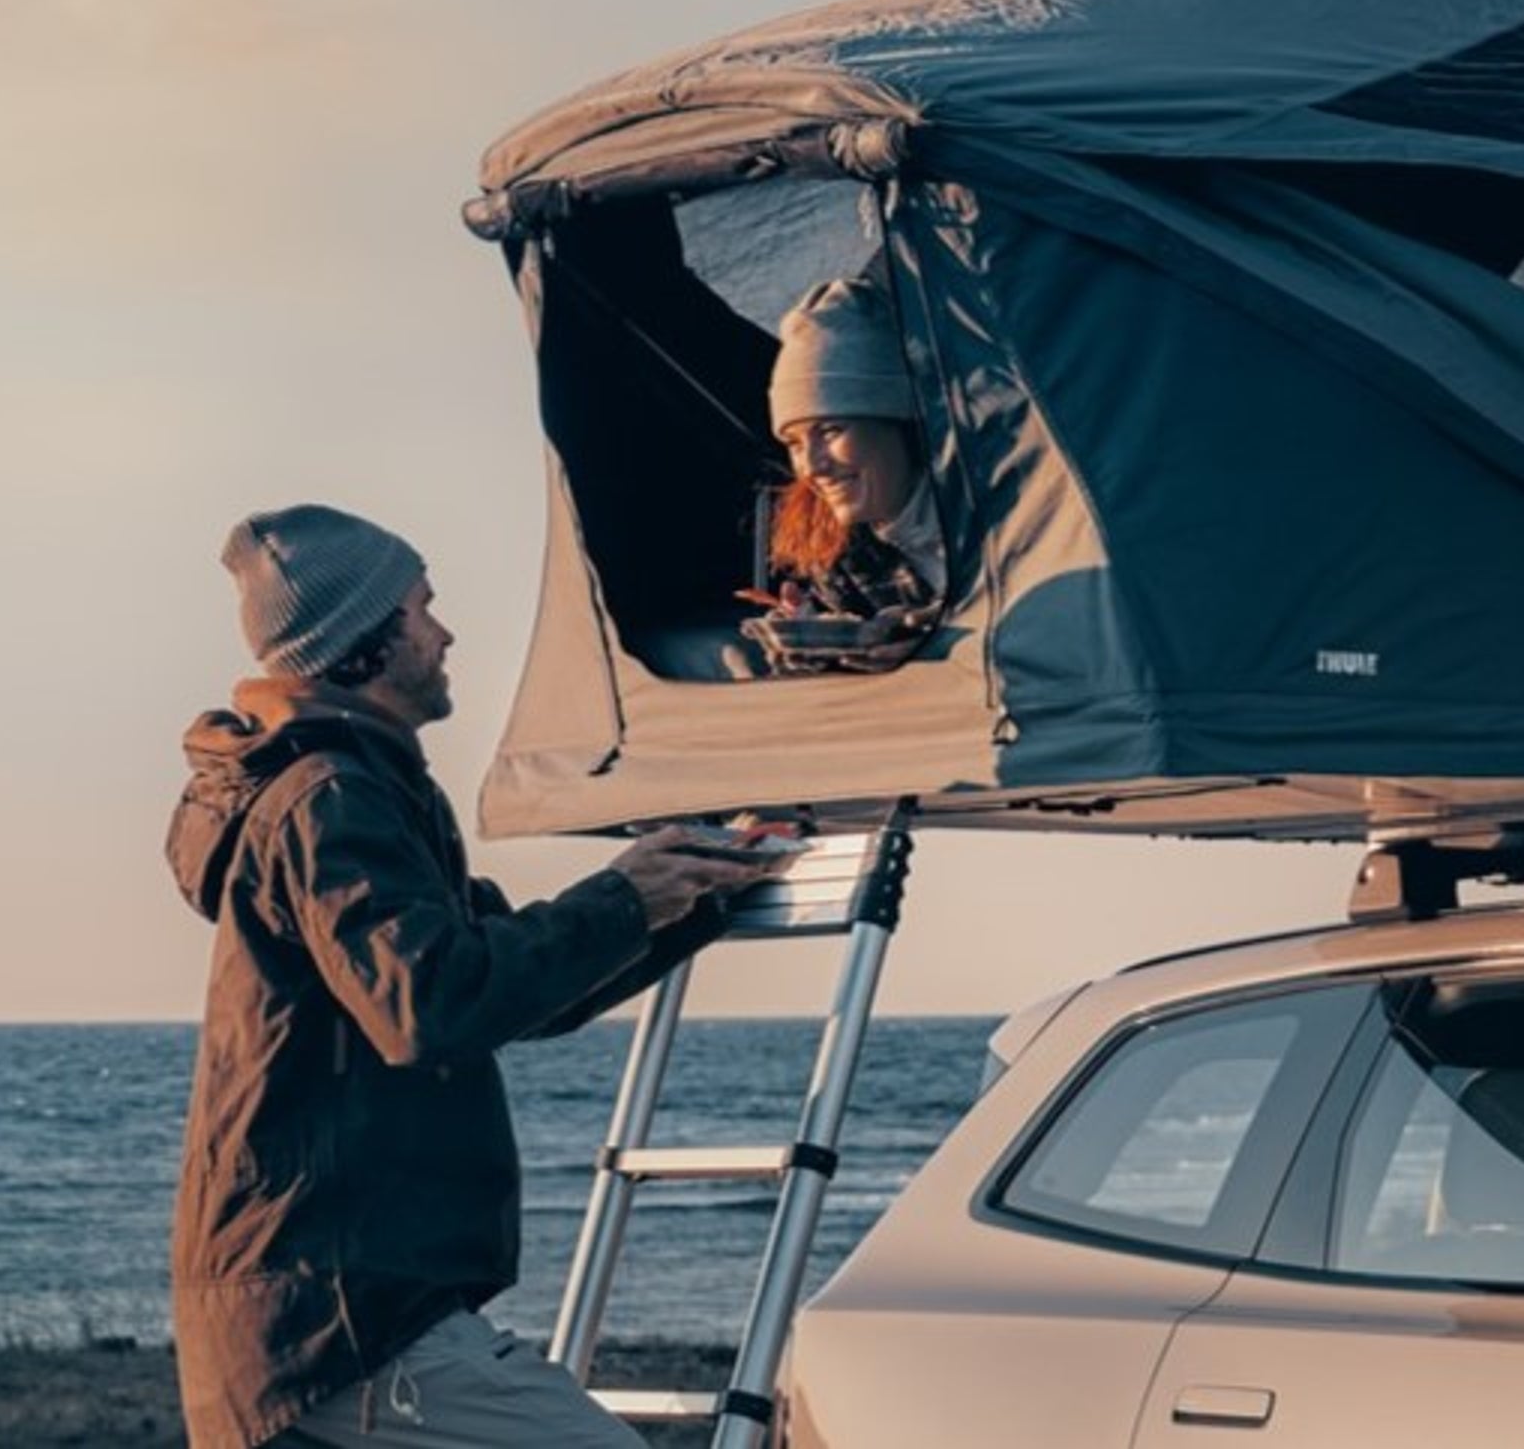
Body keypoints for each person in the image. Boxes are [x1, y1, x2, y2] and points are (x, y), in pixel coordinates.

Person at [169, 504, 783, 1448]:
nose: (445, 631)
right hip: (340, 1321)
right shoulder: (332, 796)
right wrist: (627, 897)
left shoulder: (344, 788)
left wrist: (689, 894)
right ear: (364, 645)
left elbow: (503, 981)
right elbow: (433, 1001)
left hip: (305, 1316)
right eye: (423, 608)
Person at [743, 275, 944, 674]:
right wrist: (817, 647)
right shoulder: (838, 556)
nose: (813, 467)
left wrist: (940, 645)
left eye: (831, 430)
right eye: (795, 444)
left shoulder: (1000, 508)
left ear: (898, 419)